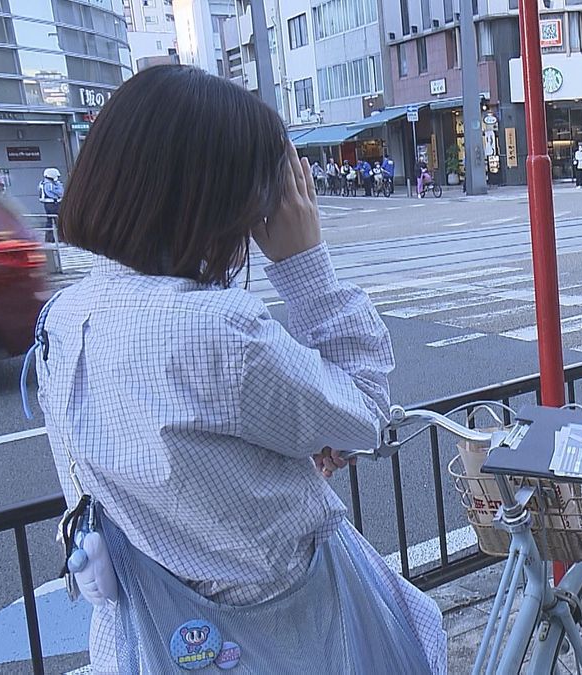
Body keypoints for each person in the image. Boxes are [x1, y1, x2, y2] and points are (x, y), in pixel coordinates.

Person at [26, 65, 445, 673]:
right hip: (290, 641)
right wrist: (305, 264)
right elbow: (365, 413)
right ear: (211, 200)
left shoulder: (64, 318)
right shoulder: (217, 330)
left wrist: (277, 466)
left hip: (145, 642)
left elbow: (183, 482)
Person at [38, 167, 63, 242]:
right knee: (58, 220)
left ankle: (49, 238)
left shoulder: (43, 183)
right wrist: (59, 185)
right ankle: (58, 238)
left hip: (47, 205)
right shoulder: (50, 185)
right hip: (54, 204)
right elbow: (61, 193)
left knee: (50, 221)